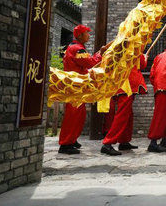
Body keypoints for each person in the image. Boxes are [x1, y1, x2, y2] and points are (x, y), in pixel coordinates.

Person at [58, 24, 108, 155]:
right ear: (80, 35)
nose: (89, 35)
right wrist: (101, 53)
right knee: (73, 115)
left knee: (79, 115)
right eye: (87, 33)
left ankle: (71, 140)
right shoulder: (78, 49)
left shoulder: (76, 48)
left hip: (77, 86)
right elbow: (90, 63)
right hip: (75, 86)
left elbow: (88, 62)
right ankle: (65, 144)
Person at [101, 54, 149, 156]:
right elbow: (142, 64)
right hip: (127, 85)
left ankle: (124, 141)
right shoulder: (133, 48)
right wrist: (145, 58)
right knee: (122, 115)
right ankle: (107, 143)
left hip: (121, 83)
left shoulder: (120, 47)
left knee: (128, 114)